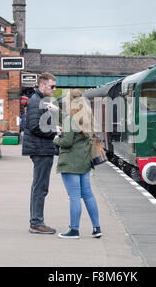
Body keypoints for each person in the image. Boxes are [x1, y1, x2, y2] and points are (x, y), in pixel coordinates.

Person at [53, 89, 102, 239]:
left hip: (71, 163)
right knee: (88, 194)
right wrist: (57, 112)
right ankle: (96, 228)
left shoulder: (70, 119)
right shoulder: (87, 117)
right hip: (84, 162)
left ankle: (74, 230)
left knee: (74, 196)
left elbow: (66, 142)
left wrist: (55, 138)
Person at [22, 72, 60, 234]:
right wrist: (54, 131)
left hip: (42, 148)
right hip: (41, 149)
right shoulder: (36, 101)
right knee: (40, 187)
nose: (54, 89)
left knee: (39, 186)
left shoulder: (41, 101)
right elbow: (35, 126)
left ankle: (36, 221)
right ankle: (37, 222)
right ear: (42, 85)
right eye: (52, 86)